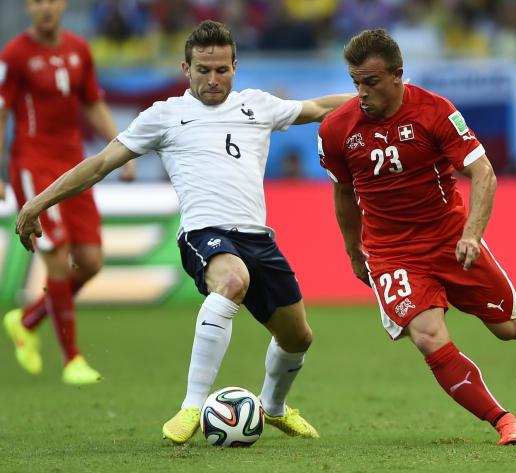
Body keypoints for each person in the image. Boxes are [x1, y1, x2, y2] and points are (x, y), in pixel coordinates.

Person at [15, 20, 351, 442]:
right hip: (203, 233)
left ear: (235, 67)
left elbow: (318, 108)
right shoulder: (164, 116)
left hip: (258, 237)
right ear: (186, 69)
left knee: (297, 337)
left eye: (222, 70)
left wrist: (377, 96)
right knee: (232, 281)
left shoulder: (257, 105)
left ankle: (273, 407)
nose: (213, 79)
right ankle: (192, 405)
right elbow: (100, 164)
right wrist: (38, 201)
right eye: (203, 70)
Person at [317, 29, 516, 446]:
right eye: (356, 82)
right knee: (427, 335)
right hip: (391, 252)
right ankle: (505, 421)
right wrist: (354, 252)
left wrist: (472, 235)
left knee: (513, 328)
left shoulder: (436, 111)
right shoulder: (336, 129)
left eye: (371, 82)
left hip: (450, 240)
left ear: (398, 75)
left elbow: (483, 172)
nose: (362, 92)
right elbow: (343, 193)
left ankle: (451, 290)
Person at [0, 0, 136, 385]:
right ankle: (72, 358)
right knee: (57, 258)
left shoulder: (79, 49)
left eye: (52, 0)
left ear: (62, 5)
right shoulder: (14, 55)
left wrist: (123, 149)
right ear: (28, 8)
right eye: (37, 1)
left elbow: (93, 103)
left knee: (90, 261)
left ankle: (27, 321)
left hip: (74, 165)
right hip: (33, 164)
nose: (46, 8)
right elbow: (2, 112)